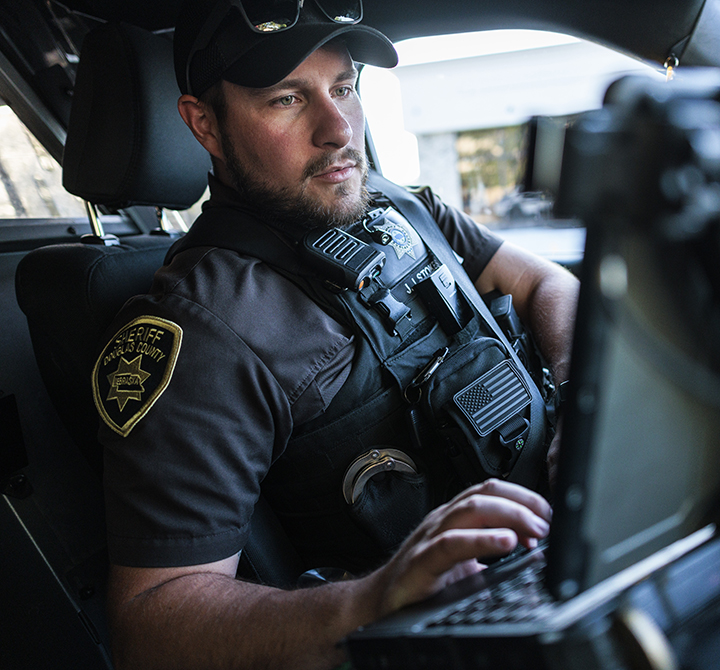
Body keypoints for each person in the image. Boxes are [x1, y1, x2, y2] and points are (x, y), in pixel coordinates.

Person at [94, 1, 579, 668]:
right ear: (203, 124)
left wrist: (583, 405)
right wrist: (373, 600)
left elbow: (551, 285)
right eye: (286, 98)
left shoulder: (404, 207)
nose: (337, 130)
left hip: (564, 554)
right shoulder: (200, 331)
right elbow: (149, 622)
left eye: (344, 88)